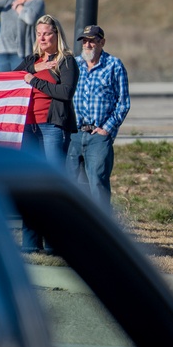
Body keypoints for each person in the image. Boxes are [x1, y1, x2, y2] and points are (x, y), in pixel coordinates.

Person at [16, 14, 77, 253]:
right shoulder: (32, 59)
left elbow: (65, 92)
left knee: (52, 186)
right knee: (30, 186)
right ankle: (31, 244)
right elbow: (12, 77)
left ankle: (55, 244)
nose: (42, 37)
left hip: (52, 127)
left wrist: (34, 80)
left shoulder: (67, 61)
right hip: (29, 129)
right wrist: (34, 68)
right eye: (39, 33)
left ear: (57, 35)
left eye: (47, 33)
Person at [66, 25, 130, 211]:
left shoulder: (114, 65)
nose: (88, 44)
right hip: (75, 132)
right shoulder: (74, 64)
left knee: (98, 184)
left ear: (102, 42)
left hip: (99, 134)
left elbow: (123, 103)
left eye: (92, 41)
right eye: (85, 41)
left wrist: (106, 129)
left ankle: (102, 229)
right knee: (68, 181)